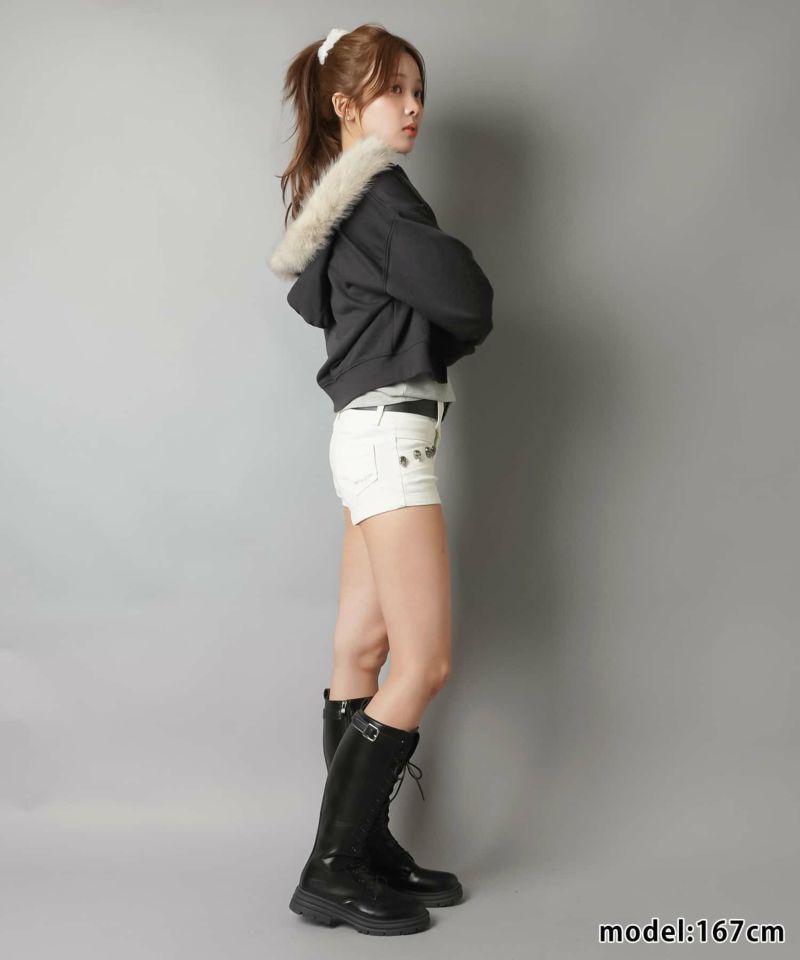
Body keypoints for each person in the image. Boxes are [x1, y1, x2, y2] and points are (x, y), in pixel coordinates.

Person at [268, 23, 494, 936]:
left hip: (362, 435)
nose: (413, 107)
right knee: (422, 661)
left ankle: (363, 849)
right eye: (394, 90)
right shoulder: (382, 196)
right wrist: (444, 331)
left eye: (419, 90)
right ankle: (332, 867)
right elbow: (469, 299)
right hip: (391, 436)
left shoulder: (339, 206)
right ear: (345, 104)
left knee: (359, 651)